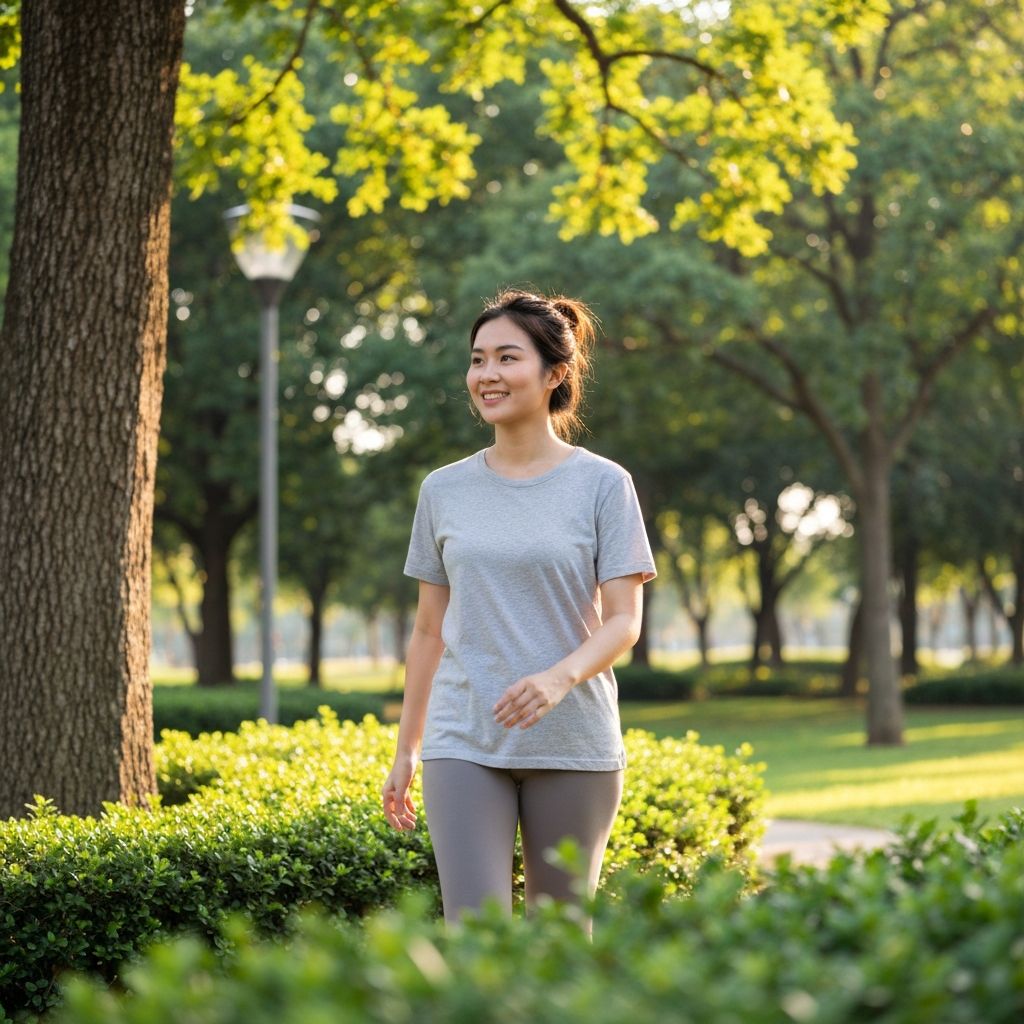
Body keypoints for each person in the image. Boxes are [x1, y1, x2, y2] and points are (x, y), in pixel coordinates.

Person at [381, 288, 656, 933]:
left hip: (574, 743)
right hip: (464, 737)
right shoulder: (443, 489)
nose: (487, 376)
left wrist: (558, 677)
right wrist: (408, 748)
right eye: (478, 360)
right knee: (475, 940)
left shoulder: (602, 484)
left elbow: (624, 619)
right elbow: (428, 630)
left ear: (555, 373)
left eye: (507, 358)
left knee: (559, 942)